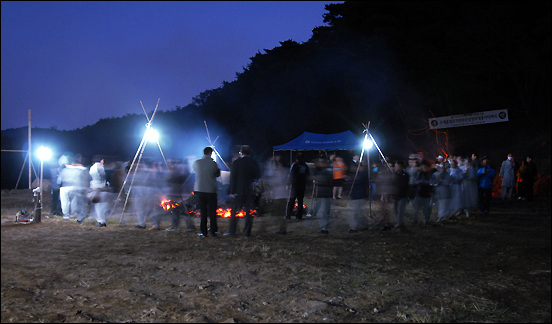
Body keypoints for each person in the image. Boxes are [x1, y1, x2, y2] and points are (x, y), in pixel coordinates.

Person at [226, 145, 261, 237]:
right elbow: (257, 176)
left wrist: (232, 191)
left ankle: (232, 232)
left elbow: (233, 178)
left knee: (234, 212)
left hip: (238, 191)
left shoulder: (236, 163)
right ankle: (246, 232)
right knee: (249, 213)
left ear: (241, 153)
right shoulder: (253, 162)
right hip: (249, 190)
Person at [192, 147, 221, 237]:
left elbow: (196, 171)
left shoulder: (197, 162)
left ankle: (204, 232)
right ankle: (213, 231)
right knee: (212, 212)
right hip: (211, 190)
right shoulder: (213, 163)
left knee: (203, 212)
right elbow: (217, 174)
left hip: (200, 190)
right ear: (211, 153)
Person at [165, 160, 197, 232]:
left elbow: (177, 180)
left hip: (182, 195)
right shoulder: (178, 172)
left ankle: (190, 227)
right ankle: (175, 226)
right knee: (176, 210)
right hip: (177, 195)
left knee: (184, 211)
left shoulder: (183, 173)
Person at [347, 156, 370, 232]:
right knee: (358, 212)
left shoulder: (362, 175)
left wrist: (350, 180)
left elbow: (357, 182)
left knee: (355, 212)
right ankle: (365, 225)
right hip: (355, 195)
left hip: (360, 195)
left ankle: (353, 227)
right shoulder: (356, 175)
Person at [285, 152, 310, 220]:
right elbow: (307, 176)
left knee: (292, 200)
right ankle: (299, 216)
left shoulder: (294, 165)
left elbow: (291, 175)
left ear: (296, 159)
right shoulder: (305, 166)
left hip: (295, 185)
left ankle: (288, 215)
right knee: (300, 200)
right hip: (302, 185)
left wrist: (288, 183)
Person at [312, 157, 333, 234]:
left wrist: (316, 179)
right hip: (320, 193)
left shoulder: (328, 171)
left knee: (324, 211)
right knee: (320, 211)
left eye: (320, 162)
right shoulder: (319, 171)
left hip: (325, 193)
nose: (319, 164)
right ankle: (323, 227)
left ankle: (325, 228)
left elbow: (326, 180)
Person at [88, 155, 110, 227]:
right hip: (100, 187)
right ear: (101, 160)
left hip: (93, 186)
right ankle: (101, 221)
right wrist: (106, 183)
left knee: (97, 205)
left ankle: (99, 219)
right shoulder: (99, 166)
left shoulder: (92, 167)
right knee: (101, 205)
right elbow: (102, 176)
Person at [411, 160, 433, 225]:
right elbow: (416, 181)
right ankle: (415, 220)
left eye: (425, 167)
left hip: (427, 193)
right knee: (416, 207)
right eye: (423, 166)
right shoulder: (419, 173)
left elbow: (431, 182)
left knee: (427, 208)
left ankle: (426, 220)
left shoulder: (430, 174)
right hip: (419, 193)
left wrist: (424, 182)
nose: (424, 168)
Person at [392, 160, 410, 229]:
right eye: (395, 166)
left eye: (397, 166)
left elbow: (403, 184)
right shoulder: (394, 174)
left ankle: (400, 222)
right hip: (395, 194)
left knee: (400, 209)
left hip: (402, 194)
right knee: (396, 209)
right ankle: (398, 221)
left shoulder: (405, 175)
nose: (395, 167)